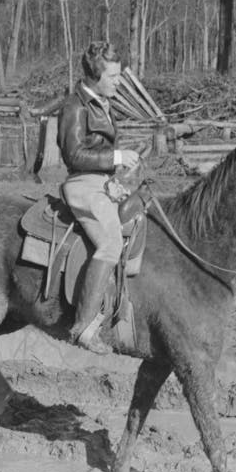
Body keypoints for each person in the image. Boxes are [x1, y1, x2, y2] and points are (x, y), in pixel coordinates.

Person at [57, 41, 141, 354]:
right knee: (111, 243)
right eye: (113, 76)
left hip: (101, 182)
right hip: (82, 184)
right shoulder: (75, 107)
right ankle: (84, 324)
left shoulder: (102, 103)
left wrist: (115, 179)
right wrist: (116, 157)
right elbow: (74, 154)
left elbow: (98, 150)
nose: (119, 82)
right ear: (95, 76)